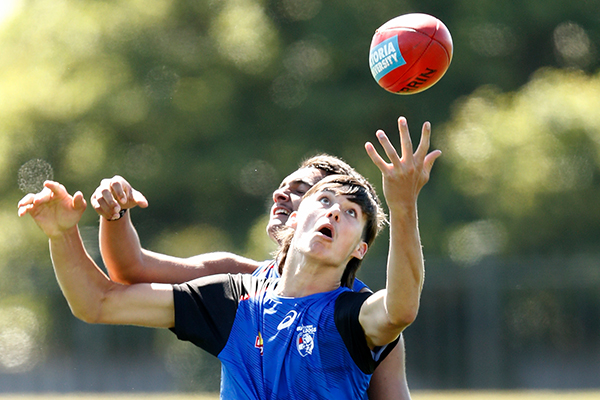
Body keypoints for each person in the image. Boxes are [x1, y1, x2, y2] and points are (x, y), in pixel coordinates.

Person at [18, 116, 440, 399]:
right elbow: (98, 300)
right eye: (323, 198)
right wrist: (63, 234)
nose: (333, 210)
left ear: (360, 249)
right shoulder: (234, 297)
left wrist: (403, 206)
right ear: (294, 223)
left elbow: (401, 308)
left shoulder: (354, 316)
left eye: (351, 212)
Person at [91, 152, 411, 398]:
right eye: (281, 187)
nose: (280, 196)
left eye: (300, 190)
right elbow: (130, 270)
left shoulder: (362, 316)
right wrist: (116, 213)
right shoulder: (241, 285)